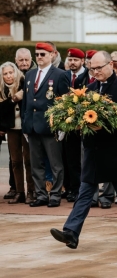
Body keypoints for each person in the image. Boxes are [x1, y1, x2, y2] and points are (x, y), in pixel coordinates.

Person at [50, 51, 117, 249]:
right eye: (92, 68)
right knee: (85, 191)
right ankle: (71, 232)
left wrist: (104, 125)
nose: (95, 72)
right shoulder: (88, 90)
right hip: (93, 149)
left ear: (111, 65)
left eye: (99, 68)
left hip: (116, 149)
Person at [21, 43, 70, 207]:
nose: (39, 57)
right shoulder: (30, 74)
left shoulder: (60, 74)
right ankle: (41, 194)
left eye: (43, 54)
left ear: (52, 55)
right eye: (37, 54)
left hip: (51, 126)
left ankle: (55, 195)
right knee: (36, 164)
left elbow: (65, 102)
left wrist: (62, 125)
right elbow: (26, 102)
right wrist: (25, 125)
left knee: (55, 164)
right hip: (33, 126)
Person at [0, 62, 34, 203]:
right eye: (5, 74)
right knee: (15, 161)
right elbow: (2, 110)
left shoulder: (24, 84)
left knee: (28, 160)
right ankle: (19, 191)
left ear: (15, 72)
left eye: (10, 72)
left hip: (25, 128)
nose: (9, 76)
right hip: (12, 129)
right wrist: (14, 99)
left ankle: (31, 192)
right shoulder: (2, 89)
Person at [63, 48, 87, 203]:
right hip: (68, 124)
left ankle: (82, 189)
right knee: (70, 157)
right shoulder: (63, 76)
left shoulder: (87, 77)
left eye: (75, 60)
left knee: (84, 159)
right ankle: (72, 188)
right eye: (70, 60)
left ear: (82, 61)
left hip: (86, 123)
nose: (72, 63)